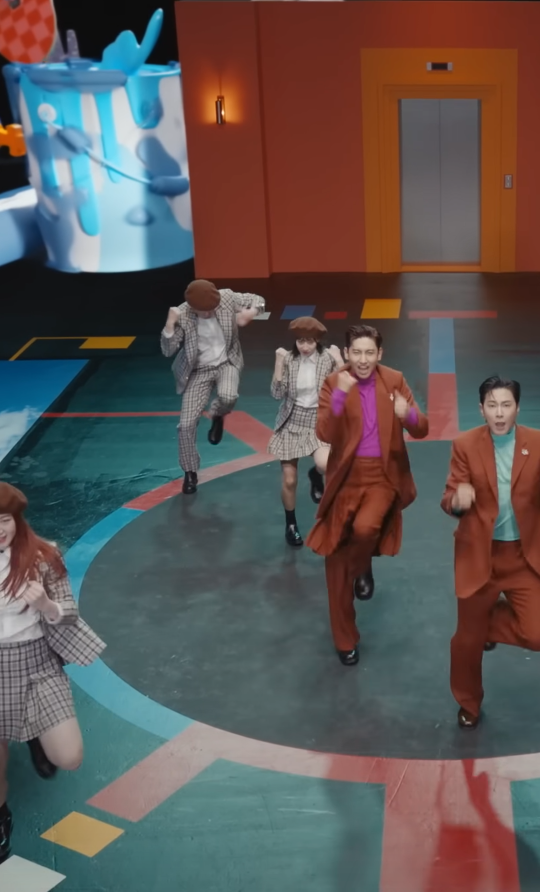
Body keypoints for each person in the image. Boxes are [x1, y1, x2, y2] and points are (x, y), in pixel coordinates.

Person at [0, 482, 104, 867]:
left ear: (17, 518)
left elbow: (69, 613)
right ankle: (0, 817)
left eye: (4, 520)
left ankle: (34, 734)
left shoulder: (44, 555)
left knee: (69, 757)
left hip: (38, 663)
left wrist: (46, 605)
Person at [445, 376, 540, 727]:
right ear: (481, 409)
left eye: (506, 405)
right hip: (479, 556)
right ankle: (469, 703)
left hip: (523, 557)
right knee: (466, 643)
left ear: (518, 408)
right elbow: (449, 494)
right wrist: (458, 500)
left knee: (539, 636)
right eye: (492, 406)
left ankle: (484, 627)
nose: (499, 413)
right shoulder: (464, 445)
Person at [308, 325, 429, 664]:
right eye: (357, 352)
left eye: (369, 353)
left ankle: (362, 566)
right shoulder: (334, 383)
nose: (363, 360)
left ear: (380, 354)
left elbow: (422, 428)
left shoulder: (394, 380)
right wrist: (340, 396)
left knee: (365, 528)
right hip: (345, 479)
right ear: (347, 353)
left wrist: (409, 414)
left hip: (382, 477)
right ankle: (345, 640)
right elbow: (325, 432)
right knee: (335, 563)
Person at [162, 278, 264, 496]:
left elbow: (258, 299)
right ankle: (190, 471)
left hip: (227, 362)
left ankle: (217, 415)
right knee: (186, 425)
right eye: (204, 311)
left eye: (212, 309)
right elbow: (168, 350)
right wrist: (170, 324)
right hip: (198, 370)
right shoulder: (182, 314)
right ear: (192, 308)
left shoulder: (226, 297)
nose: (209, 313)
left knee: (228, 396)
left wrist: (251, 312)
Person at [269, 317, 344, 547]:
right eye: (301, 341)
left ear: (317, 341)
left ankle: (315, 475)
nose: (305, 346)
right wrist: (279, 363)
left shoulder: (326, 359)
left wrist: (339, 359)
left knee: (325, 465)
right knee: (289, 480)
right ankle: (291, 524)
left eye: (310, 341)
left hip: (318, 420)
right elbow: (276, 394)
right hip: (291, 421)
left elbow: (347, 386)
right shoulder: (289, 359)